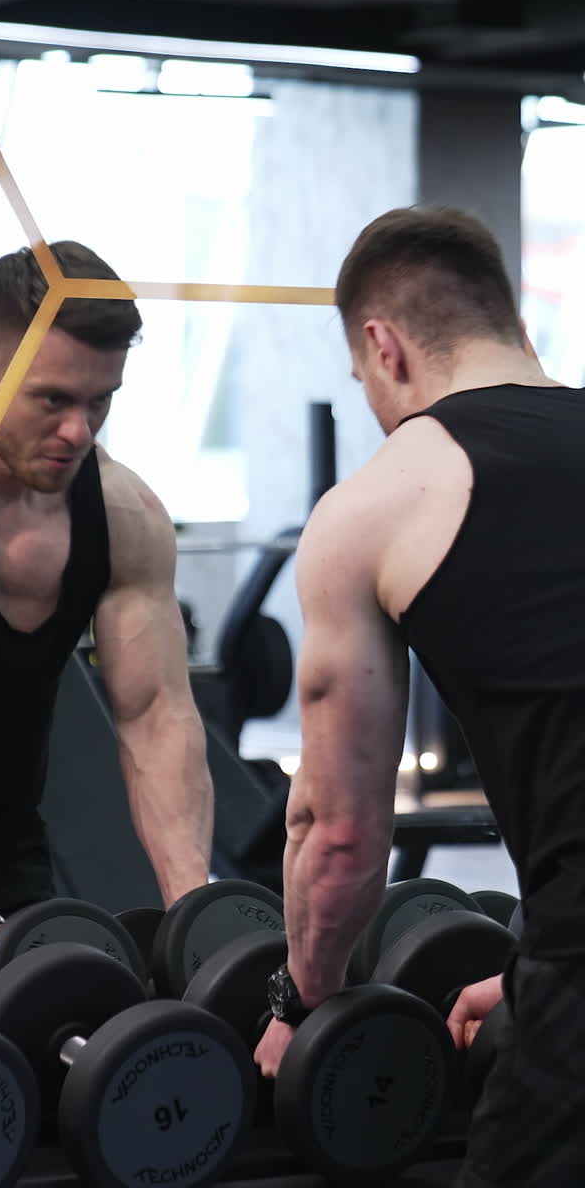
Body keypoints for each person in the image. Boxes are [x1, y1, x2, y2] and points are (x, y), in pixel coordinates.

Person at [255, 205, 585, 1186]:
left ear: (384, 348)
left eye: (363, 381)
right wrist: (527, 969)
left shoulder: (375, 505)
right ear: (512, 323)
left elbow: (340, 835)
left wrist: (303, 1000)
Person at [0, 240, 212, 996]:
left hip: (11, 868)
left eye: (100, 401)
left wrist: (199, 921)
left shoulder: (123, 515)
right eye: (53, 400)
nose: (80, 432)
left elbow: (157, 718)